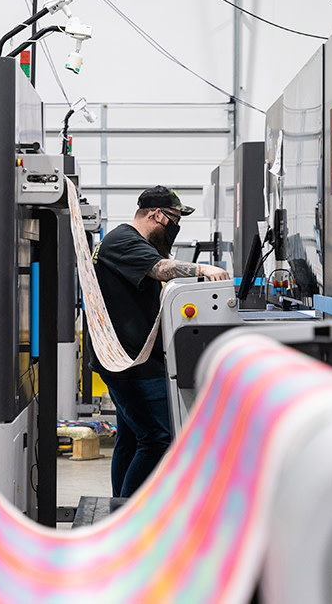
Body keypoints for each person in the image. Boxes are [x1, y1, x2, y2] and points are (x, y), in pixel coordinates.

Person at [91, 185, 230, 497]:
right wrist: (203, 269)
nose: (176, 228)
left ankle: (121, 504)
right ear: (156, 214)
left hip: (125, 358)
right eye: (174, 219)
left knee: (132, 437)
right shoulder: (124, 241)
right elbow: (160, 269)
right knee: (158, 438)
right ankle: (133, 516)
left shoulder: (126, 241)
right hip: (132, 363)